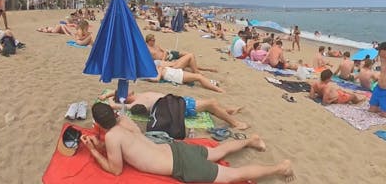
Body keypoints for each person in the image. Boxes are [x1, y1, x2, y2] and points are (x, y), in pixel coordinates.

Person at [81, 102, 294, 182]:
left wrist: (94, 151)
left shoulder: (111, 136)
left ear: (99, 123)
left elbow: (115, 170)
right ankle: (250, 140)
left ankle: (280, 168)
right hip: (174, 149)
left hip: (180, 165)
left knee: (233, 176)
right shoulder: (124, 122)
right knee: (217, 152)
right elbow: (125, 145)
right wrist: (99, 144)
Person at [100, 90, 248, 130]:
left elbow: (120, 91)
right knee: (211, 103)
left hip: (178, 100)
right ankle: (235, 123)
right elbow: (114, 106)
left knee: (210, 104)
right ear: (124, 98)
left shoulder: (135, 95)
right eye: (125, 92)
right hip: (178, 107)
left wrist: (108, 94)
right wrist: (112, 101)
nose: (129, 91)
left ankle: (227, 111)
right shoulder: (134, 104)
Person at [145, 34, 216, 73]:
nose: (154, 41)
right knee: (188, 61)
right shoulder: (147, 50)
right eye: (153, 40)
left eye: (154, 40)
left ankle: (199, 69)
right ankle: (205, 69)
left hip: (170, 54)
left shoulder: (156, 45)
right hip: (168, 59)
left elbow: (165, 51)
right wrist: (164, 60)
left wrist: (164, 56)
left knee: (189, 54)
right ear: (148, 41)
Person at [148, 62, 223, 93]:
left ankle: (211, 83)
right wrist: (148, 78)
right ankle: (219, 90)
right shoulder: (158, 70)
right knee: (199, 77)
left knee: (196, 77)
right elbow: (157, 79)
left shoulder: (159, 67)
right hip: (177, 76)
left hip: (177, 73)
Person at [369, 42, 386, 117]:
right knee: (371, 110)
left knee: (384, 114)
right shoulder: (381, 58)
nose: (379, 53)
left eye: (380, 51)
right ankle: (380, 106)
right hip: (378, 88)